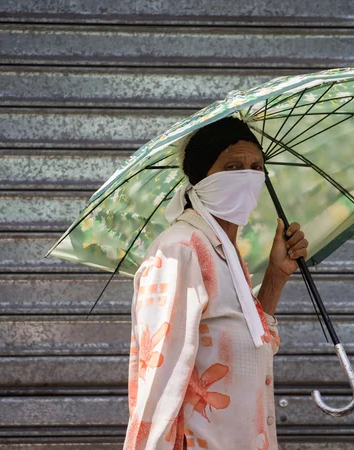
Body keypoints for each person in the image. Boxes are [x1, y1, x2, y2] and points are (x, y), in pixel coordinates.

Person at [123, 116, 308, 450]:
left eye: (256, 167)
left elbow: (253, 342)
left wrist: (276, 276)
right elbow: (159, 381)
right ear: (201, 179)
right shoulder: (180, 251)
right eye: (233, 166)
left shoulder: (225, 255)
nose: (248, 177)